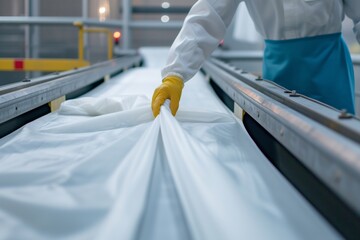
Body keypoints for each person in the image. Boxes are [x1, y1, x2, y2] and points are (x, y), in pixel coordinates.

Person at [151, 0, 360, 117]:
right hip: (280, 74)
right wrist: (175, 74)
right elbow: (208, 15)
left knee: (338, 143)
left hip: (330, 70)